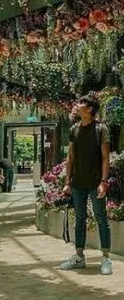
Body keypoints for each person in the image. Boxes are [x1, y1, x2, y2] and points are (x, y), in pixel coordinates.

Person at [59, 94, 112, 275]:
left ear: (89, 108)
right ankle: (79, 256)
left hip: (95, 182)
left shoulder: (100, 129)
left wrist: (103, 182)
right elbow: (70, 157)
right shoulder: (74, 129)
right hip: (77, 183)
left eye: (81, 103)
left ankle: (105, 258)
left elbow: (106, 158)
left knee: (101, 218)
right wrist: (67, 182)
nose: (77, 105)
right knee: (79, 219)